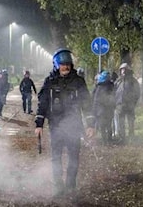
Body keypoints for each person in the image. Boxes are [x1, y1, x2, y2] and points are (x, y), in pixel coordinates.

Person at [34, 48, 94, 197]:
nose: (65, 67)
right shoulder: (50, 82)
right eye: (62, 64)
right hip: (55, 126)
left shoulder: (79, 82)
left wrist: (91, 125)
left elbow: (87, 104)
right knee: (56, 157)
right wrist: (39, 124)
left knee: (74, 157)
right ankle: (59, 187)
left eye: (68, 64)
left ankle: (71, 186)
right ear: (56, 65)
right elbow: (43, 103)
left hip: (74, 126)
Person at [114, 63, 140, 143]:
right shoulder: (118, 81)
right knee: (121, 122)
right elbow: (114, 91)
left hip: (130, 105)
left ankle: (131, 137)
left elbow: (137, 93)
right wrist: (115, 102)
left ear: (128, 70)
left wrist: (133, 102)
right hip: (120, 105)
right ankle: (122, 138)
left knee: (130, 121)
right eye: (122, 69)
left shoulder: (133, 81)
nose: (123, 71)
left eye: (125, 69)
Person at [91, 70, 115, 145]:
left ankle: (105, 141)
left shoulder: (98, 87)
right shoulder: (111, 86)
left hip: (101, 111)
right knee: (108, 126)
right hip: (109, 110)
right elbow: (114, 98)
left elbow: (95, 100)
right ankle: (109, 140)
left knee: (102, 127)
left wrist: (94, 111)